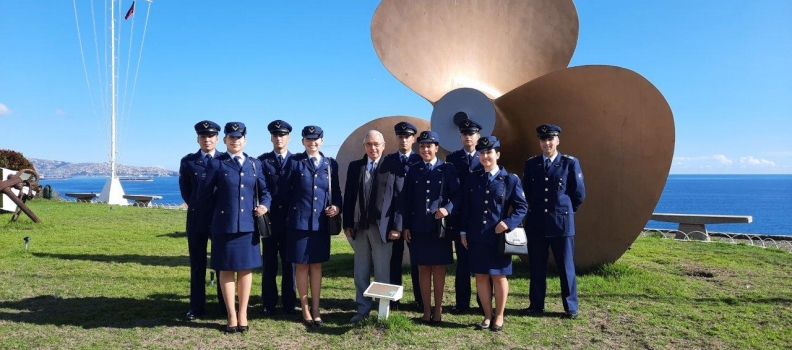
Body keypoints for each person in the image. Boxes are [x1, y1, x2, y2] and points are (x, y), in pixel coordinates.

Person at [203, 122, 271, 333]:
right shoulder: (217, 163)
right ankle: (231, 315)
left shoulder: (254, 164)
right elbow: (205, 195)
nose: (235, 140)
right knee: (225, 269)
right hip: (224, 226)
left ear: (245, 140)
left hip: (248, 227)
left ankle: (243, 313)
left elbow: (265, 191)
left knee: (245, 270)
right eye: (231, 137)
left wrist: (264, 205)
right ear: (225, 140)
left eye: (239, 137)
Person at [459, 136, 528, 332]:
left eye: (489, 152)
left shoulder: (510, 179)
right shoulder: (473, 178)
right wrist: (463, 231)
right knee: (480, 276)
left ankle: (499, 315)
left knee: (499, 277)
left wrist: (508, 223)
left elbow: (522, 207)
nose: (485, 156)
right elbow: (466, 207)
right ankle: (487, 315)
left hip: (498, 239)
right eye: (481, 153)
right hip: (477, 236)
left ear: (497, 154)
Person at [522, 124, 585, 319]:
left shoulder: (570, 163)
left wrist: (563, 212)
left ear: (557, 141)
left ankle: (570, 307)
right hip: (537, 224)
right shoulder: (532, 164)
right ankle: (536, 304)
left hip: (561, 225)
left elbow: (578, 194)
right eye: (543, 139)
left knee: (566, 267)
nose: (547, 143)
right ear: (539, 142)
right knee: (537, 266)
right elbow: (528, 193)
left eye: (551, 139)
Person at [282, 125, 342, 328]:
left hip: (320, 224)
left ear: (322, 141)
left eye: (316, 139)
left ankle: (316, 309)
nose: (312, 142)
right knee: (301, 266)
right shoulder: (295, 162)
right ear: (303, 142)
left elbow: (337, 194)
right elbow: (284, 192)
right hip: (298, 224)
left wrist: (336, 207)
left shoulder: (330, 164)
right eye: (308, 139)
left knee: (316, 266)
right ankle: (305, 309)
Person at [343, 130, 403, 323]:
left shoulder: (392, 166)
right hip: (359, 227)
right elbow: (349, 197)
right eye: (369, 144)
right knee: (360, 269)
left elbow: (398, 199)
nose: (373, 148)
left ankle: (382, 310)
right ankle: (362, 308)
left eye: (377, 144)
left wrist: (397, 226)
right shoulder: (355, 167)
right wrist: (347, 224)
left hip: (383, 228)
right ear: (364, 147)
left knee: (382, 269)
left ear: (384, 146)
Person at [402, 131, 459, 325]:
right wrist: (406, 226)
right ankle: (426, 309)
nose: (426, 149)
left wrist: (447, 209)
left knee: (439, 269)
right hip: (418, 227)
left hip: (438, 228)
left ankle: (438, 308)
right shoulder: (414, 169)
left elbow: (457, 196)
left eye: (429, 146)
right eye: (422, 146)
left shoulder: (447, 169)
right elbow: (407, 200)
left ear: (436, 148)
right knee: (423, 269)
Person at [178, 120, 225, 321]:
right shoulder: (188, 162)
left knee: (223, 264)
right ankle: (196, 307)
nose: (207, 139)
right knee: (197, 265)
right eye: (203, 136)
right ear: (198, 138)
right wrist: (198, 206)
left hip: (221, 220)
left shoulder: (225, 160)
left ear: (217, 138)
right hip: (197, 220)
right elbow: (186, 191)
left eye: (211, 136)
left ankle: (226, 305)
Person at [256, 120, 297, 316]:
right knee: (270, 264)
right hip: (270, 221)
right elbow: (262, 189)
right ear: (271, 138)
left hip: (291, 221)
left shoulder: (297, 161)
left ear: (288, 138)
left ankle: (289, 303)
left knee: (290, 264)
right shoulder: (263, 161)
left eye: (282, 135)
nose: (279, 138)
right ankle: (269, 303)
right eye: (276, 135)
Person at [444, 113, 484, 314]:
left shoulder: (485, 157)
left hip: (480, 219)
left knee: (481, 264)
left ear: (478, 136)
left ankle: (482, 303)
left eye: (472, 133)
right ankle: (462, 303)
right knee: (462, 264)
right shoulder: (452, 159)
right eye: (464, 133)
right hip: (459, 219)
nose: (468, 136)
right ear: (460, 137)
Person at [385, 121, 423, 311]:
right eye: (400, 136)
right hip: (394, 221)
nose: (404, 140)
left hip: (415, 220)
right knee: (394, 261)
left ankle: (420, 300)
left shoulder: (420, 160)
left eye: (407, 136)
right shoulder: (389, 160)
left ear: (413, 138)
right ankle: (394, 300)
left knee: (417, 261)